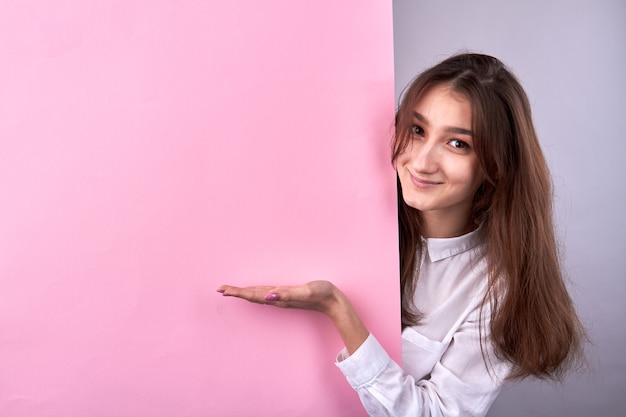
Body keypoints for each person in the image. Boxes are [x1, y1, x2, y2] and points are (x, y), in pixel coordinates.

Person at [217, 53, 585, 417]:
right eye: (417, 130)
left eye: (458, 143)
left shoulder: (496, 288)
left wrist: (337, 309)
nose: (422, 162)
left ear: (496, 165)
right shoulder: (349, 212)